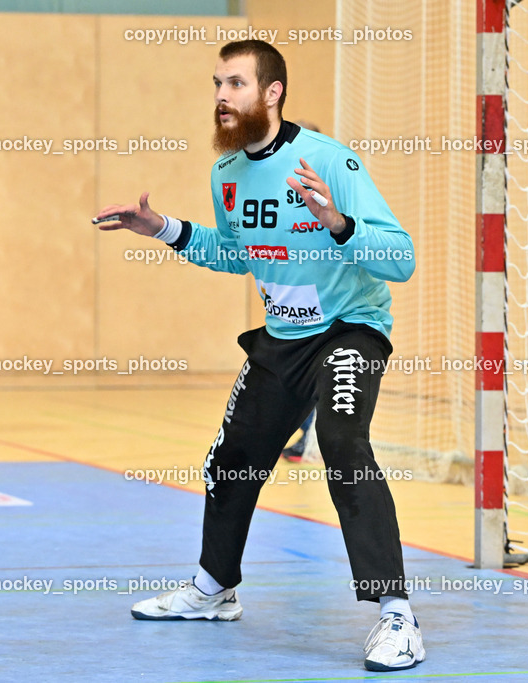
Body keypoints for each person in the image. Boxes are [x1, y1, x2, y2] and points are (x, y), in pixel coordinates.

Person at [93, 40, 424, 672]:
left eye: (237, 84)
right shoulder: (227, 174)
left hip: (348, 328)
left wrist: (337, 223)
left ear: (272, 93)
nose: (222, 95)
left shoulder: (329, 161)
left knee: (343, 442)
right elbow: (237, 253)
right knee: (232, 456)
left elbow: (401, 258)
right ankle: (214, 589)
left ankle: (396, 616)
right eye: (218, 83)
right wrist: (161, 228)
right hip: (282, 336)